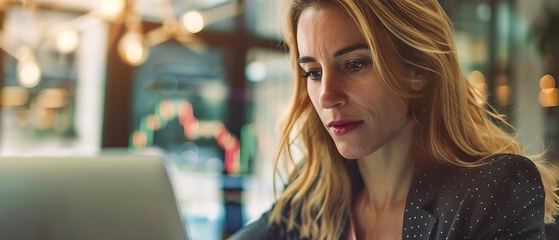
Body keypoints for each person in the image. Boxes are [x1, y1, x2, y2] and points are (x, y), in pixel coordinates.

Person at [229, 0, 559, 239]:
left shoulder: (491, 191)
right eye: (313, 72)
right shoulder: (315, 192)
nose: (327, 96)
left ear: (417, 69)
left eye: (355, 64)